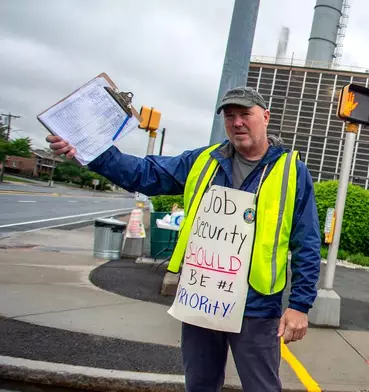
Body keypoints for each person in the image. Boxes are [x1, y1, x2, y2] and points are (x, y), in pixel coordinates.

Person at [47, 86, 321, 392]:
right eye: (230, 116)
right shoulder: (203, 160)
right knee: (200, 385)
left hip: (255, 306)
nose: (237, 123)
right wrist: (92, 152)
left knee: (262, 387)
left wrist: (300, 305)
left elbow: (306, 243)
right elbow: (144, 174)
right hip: (202, 298)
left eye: (245, 114)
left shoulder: (292, 172)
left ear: (265, 117)